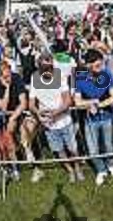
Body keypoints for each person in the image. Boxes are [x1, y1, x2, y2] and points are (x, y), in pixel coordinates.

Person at [29, 51, 84, 183]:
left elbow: (68, 101)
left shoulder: (60, 75)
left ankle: (77, 168)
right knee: (58, 150)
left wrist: (56, 113)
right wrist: (38, 112)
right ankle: (70, 171)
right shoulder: (34, 77)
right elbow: (31, 104)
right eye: (43, 69)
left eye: (49, 68)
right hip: (48, 123)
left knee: (72, 148)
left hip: (64, 120)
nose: (46, 72)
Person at [74, 49, 113, 186]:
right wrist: (90, 103)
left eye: (101, 65)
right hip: (89, 120)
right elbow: (77, 102)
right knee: (93, 150)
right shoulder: (80, 78)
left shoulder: (107, 74)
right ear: (88, 65)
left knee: (109, 145)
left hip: (106, 117)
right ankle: (101, 170)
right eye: (97, 66)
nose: (101, 68)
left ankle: (111, 165)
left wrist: (99, 105)